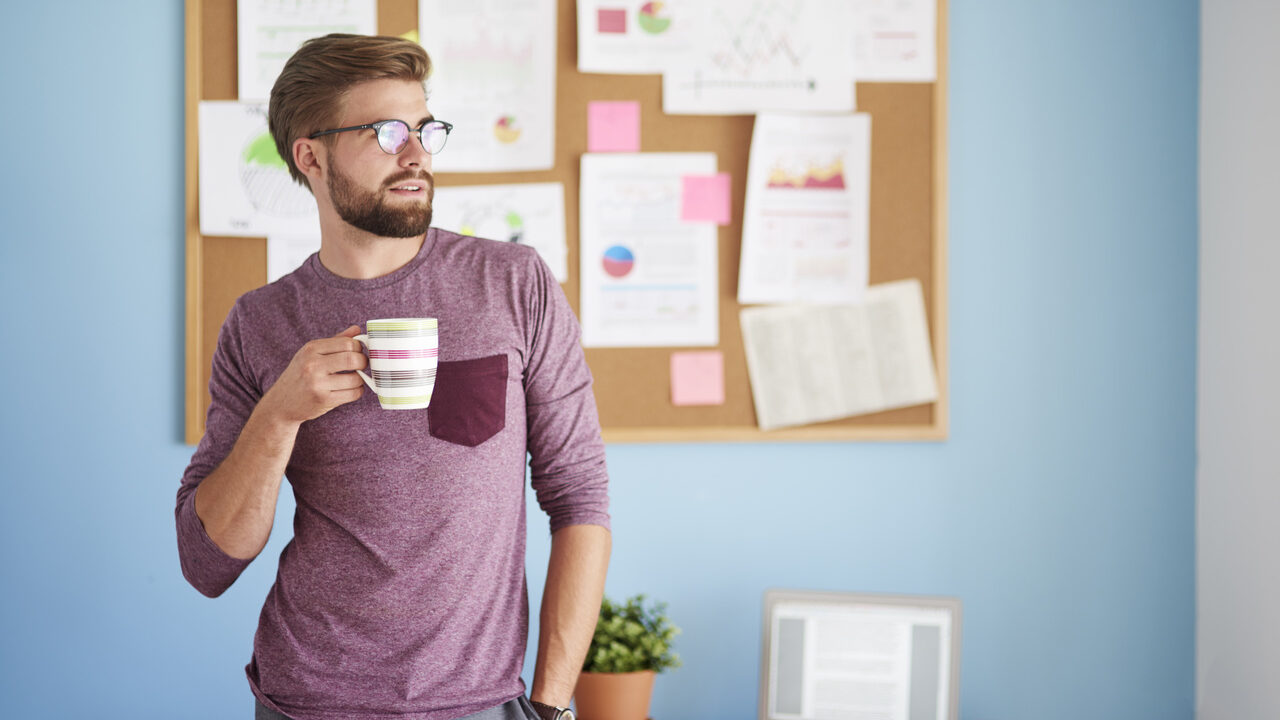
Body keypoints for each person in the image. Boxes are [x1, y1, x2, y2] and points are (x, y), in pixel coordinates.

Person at [175, 34, 610, 720]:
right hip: (304, 701)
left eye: (424, 129)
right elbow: (207, 564)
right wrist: (279, 414)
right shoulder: (259, 324)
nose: (416, 154)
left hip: (479, 705)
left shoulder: (513, 284)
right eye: (386, 132)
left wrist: (550, 705)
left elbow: (579, 496)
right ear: (310, 155)